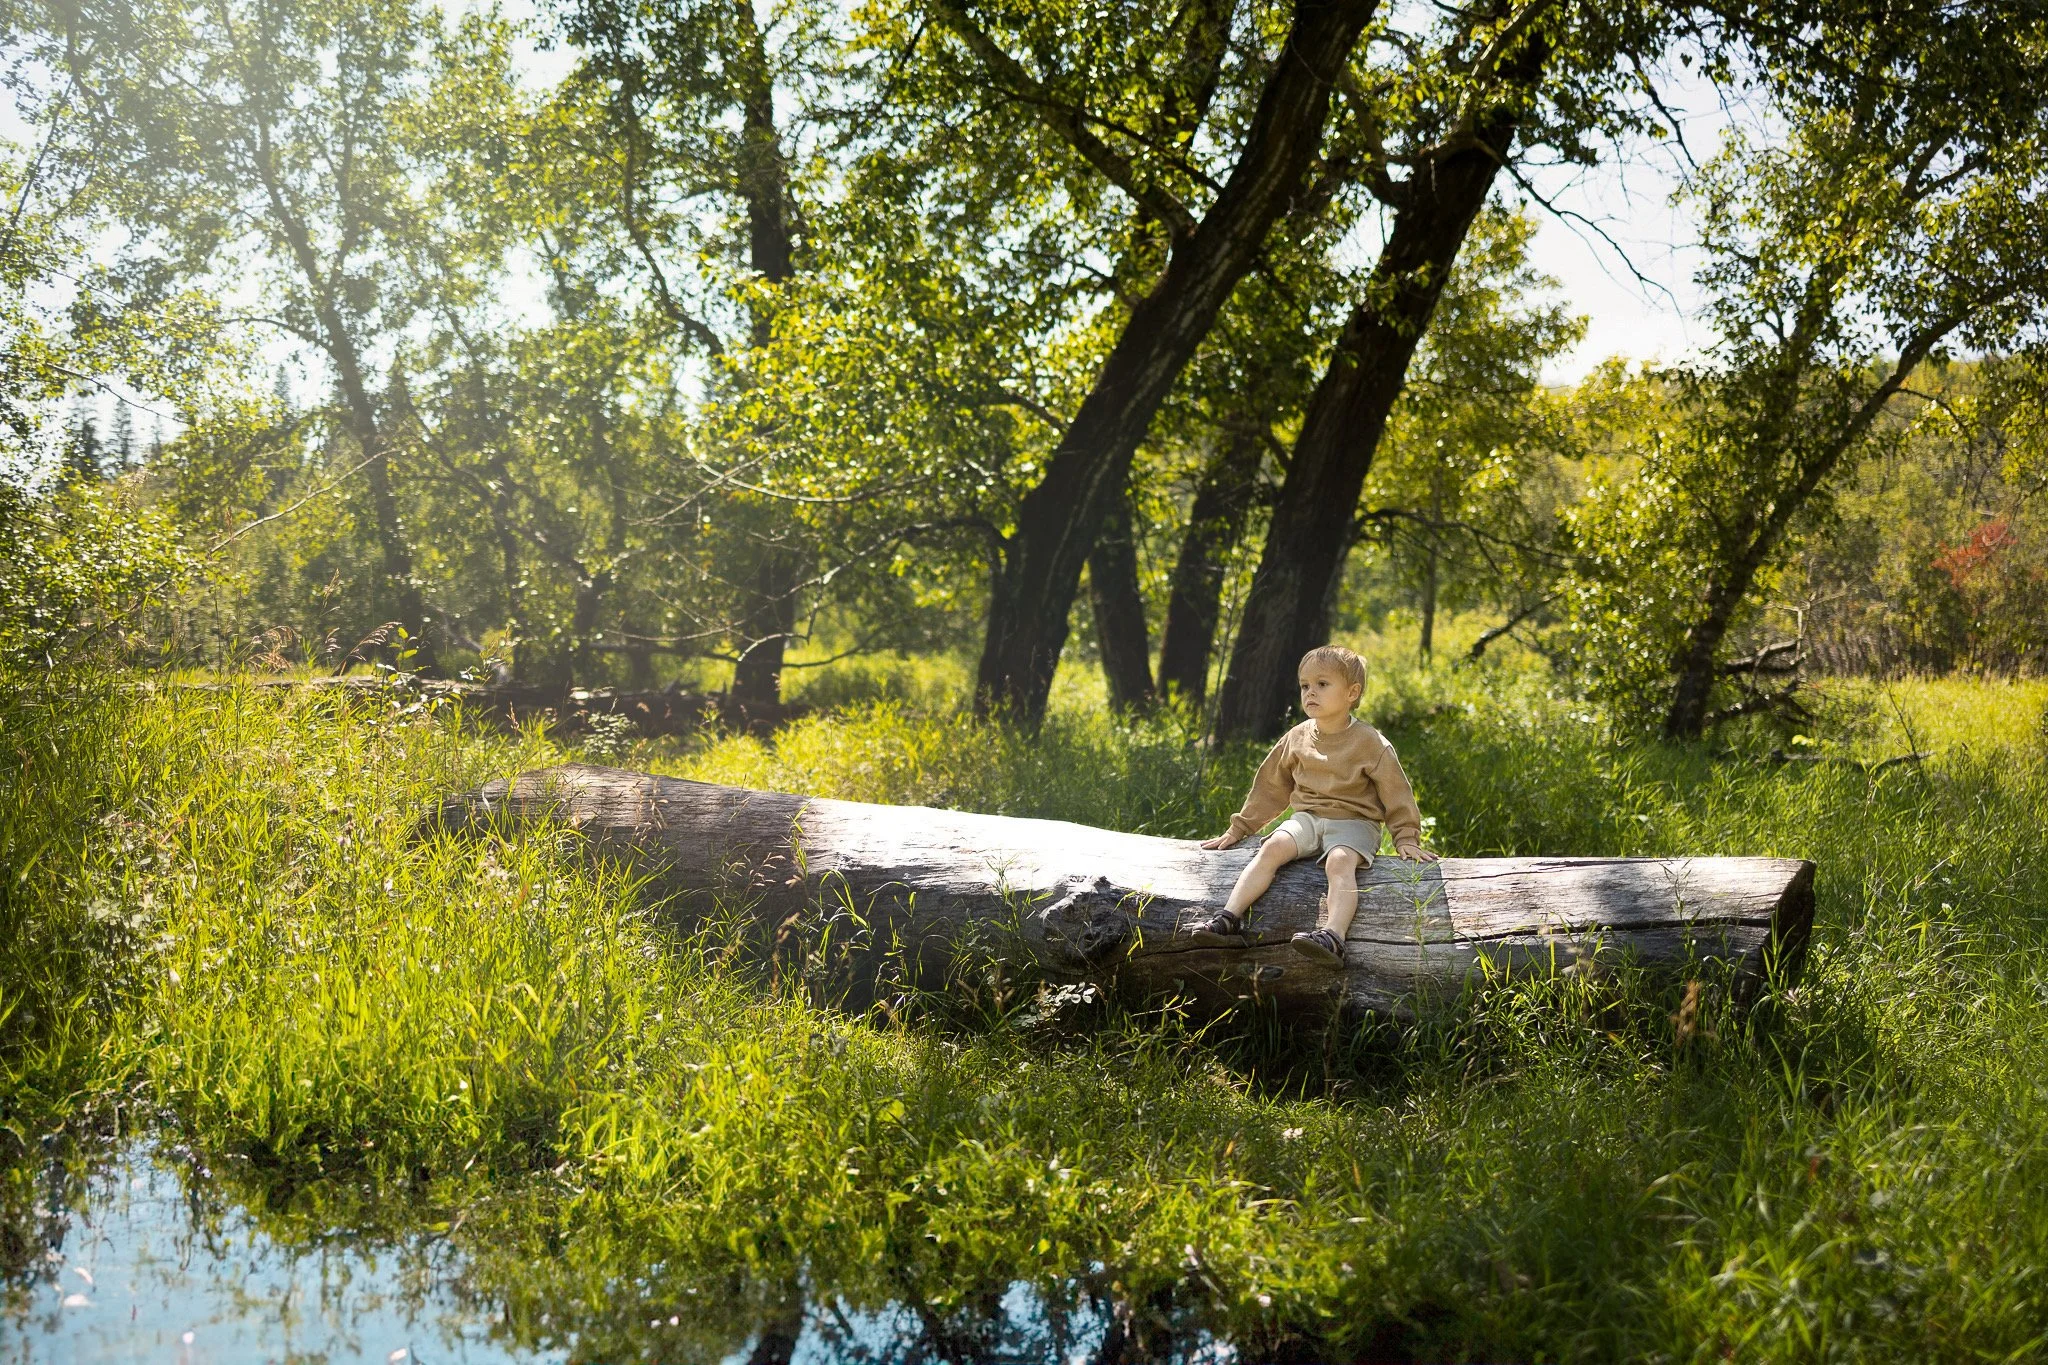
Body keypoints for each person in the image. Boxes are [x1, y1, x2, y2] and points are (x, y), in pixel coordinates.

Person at [1185, 645, 1439, 964]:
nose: (1310, 693)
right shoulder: (1297, 737)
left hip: (1354, 822)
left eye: (1322, 684)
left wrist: (1405, 836)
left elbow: (1396, 792)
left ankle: (1333, 936)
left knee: (1339, 862)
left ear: (1352, 692)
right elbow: (1270, 787)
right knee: (1272, 847)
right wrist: (1242, 827)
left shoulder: (1370, 742)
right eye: (1305, 685)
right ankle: (1228, 918)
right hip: (1307, 819)